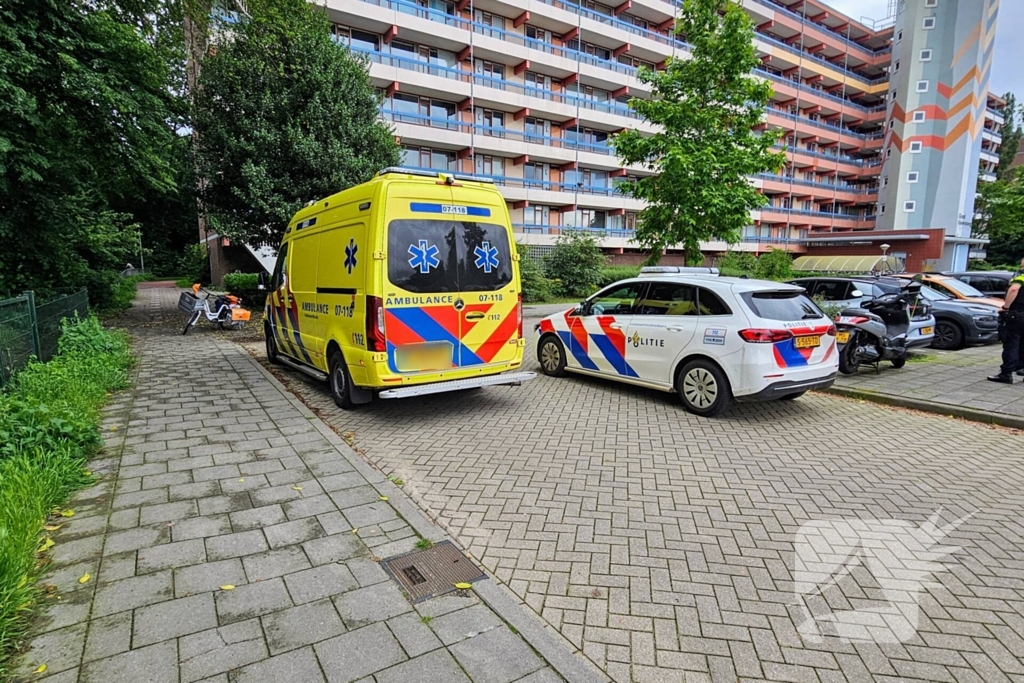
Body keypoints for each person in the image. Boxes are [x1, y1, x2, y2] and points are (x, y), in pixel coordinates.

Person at [988, 258, 1024, 384]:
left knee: (1011, 343)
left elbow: (1014, 289)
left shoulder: (1020, 277)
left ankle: (1006, 374)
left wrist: (1005, 307)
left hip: (1017, 314)